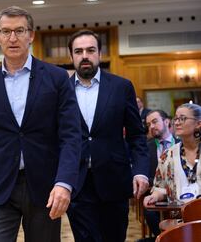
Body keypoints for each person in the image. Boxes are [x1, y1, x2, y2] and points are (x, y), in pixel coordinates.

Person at [0, 6, 82, 242]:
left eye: (19, 31)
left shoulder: (57, 78)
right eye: (5, 31)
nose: (12, 38)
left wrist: (64, 182)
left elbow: (71, 136)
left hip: (45, 187)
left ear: (31, 35)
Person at [66, 29, 149, 242]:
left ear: (99, 54)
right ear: (71, 56)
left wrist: (140, 171)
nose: (85, 55)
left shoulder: (121, 87)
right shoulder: (60, 90)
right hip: (77, 183)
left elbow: (137, 136)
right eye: (79, 51)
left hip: (114, 182)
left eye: (90, 50)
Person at [144, 103, 201, 207]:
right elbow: (160, 188)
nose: (177, 123)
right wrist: (155, 196)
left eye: (182, 118)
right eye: (176, 119)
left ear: (198, 123)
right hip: (179, 218)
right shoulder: (167, 155)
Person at [143, 109, 179, 239]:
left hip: (180, 191)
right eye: (148, 125)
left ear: (167, 121)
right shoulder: (146, 148)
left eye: (154, 122)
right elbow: (146, 175)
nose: (151, 127)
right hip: (156, 191)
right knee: (149, 212)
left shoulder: (181, 143)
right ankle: (164, 238)